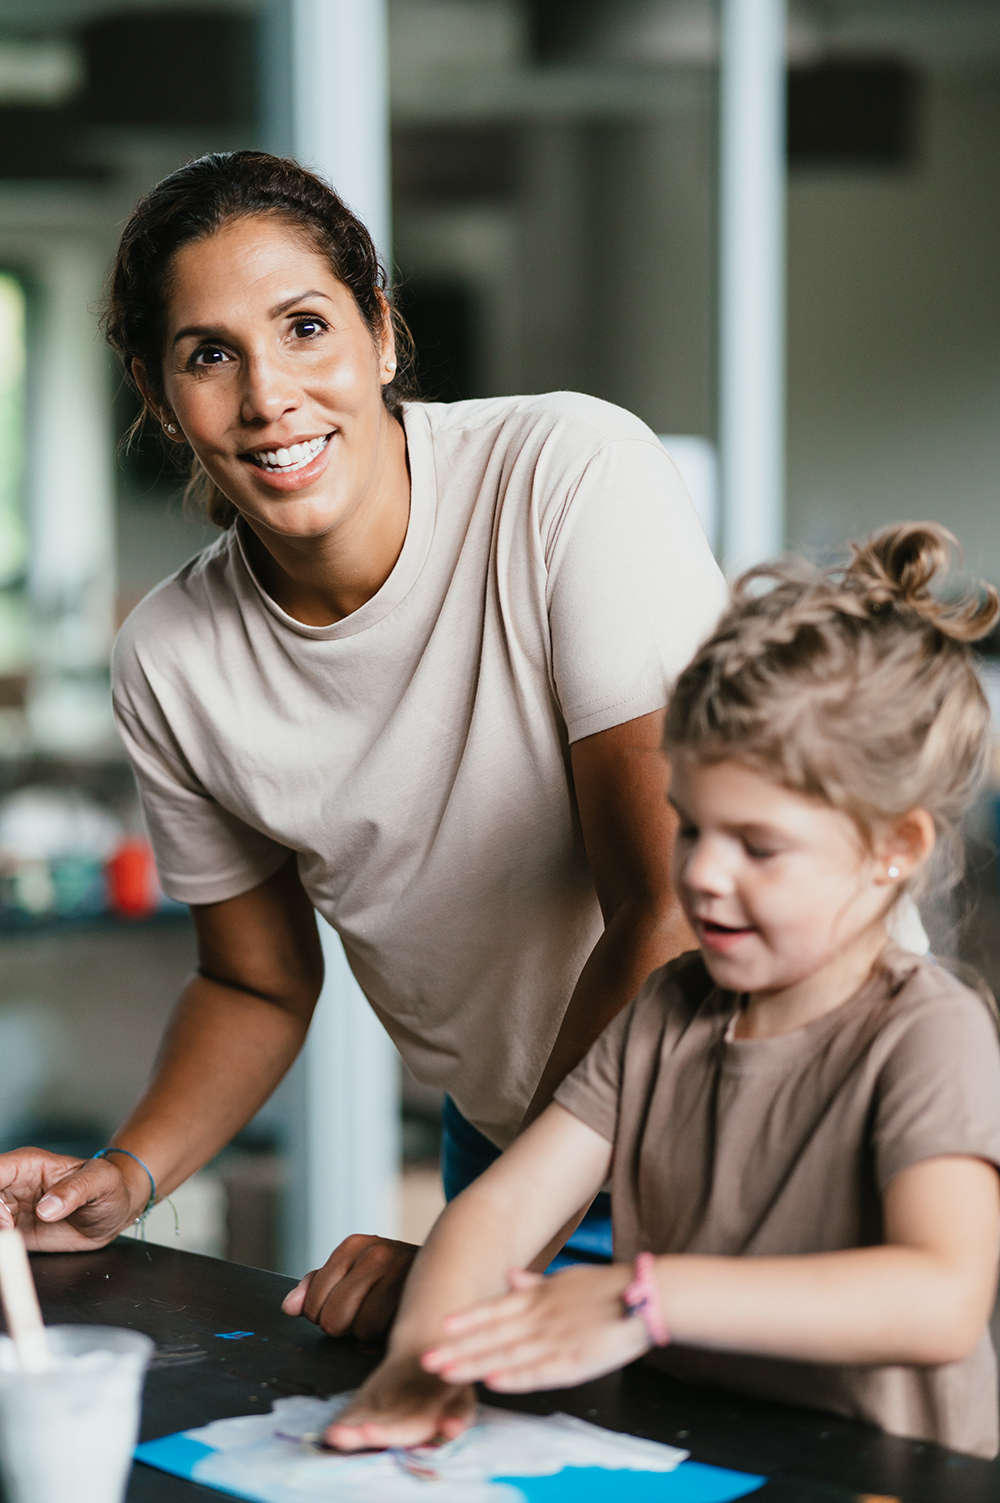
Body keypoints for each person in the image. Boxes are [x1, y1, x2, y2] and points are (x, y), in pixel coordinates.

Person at [0, 151, 726, 1328]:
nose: (268, 395)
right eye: (208, 354)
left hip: (747, 1121)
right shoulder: (174, 655)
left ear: (379, 334)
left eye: (303, 327)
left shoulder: (564, 475)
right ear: (156, 389)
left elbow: (668, 904)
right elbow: (254, 978)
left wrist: (473, 1251)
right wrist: (123, 1177)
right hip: (511, 1133)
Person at [323, 523, 1000, 1460]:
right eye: (691, 829)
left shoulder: (929, 1035)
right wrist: (424, 1362)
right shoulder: (668, 1009)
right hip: (693, 1459)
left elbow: (941, 1298)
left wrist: (645, 1294)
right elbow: (502, 1210)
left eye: (757, 845)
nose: (706, 877)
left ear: (897, 848)